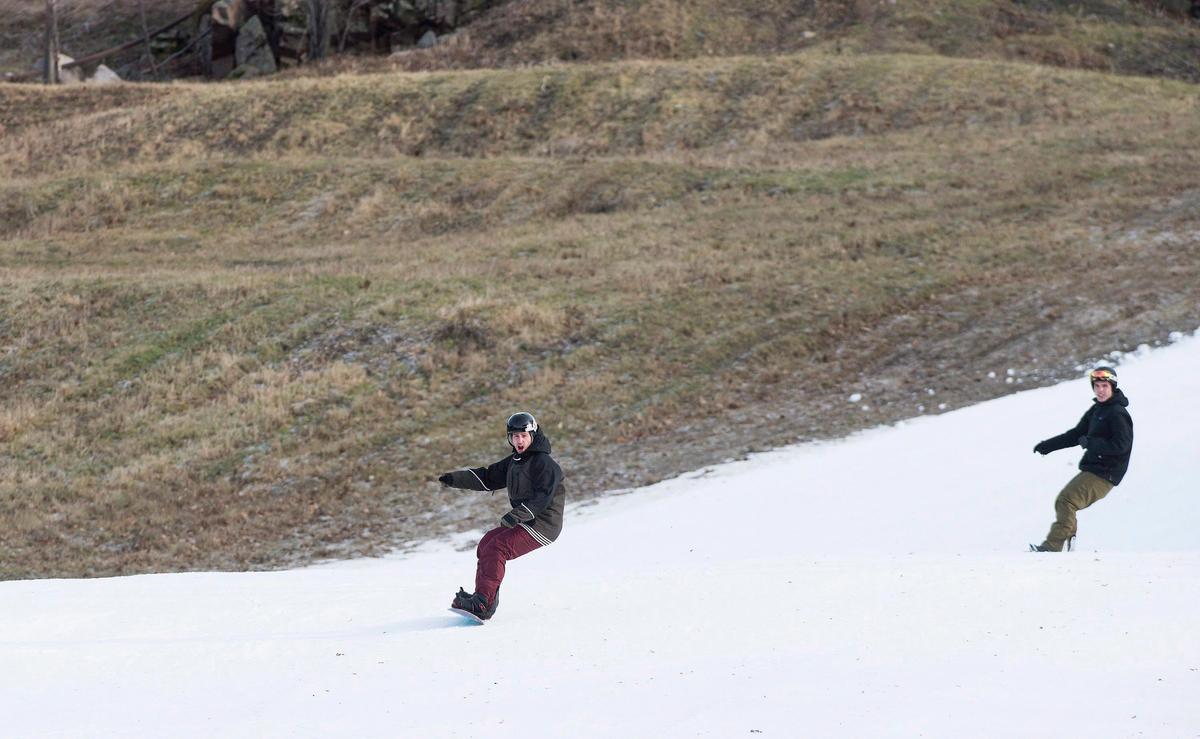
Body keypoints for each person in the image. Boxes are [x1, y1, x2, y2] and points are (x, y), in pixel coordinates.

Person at [437, 411, 565, 620]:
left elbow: (542, 498)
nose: (519, 440)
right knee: (487, 543)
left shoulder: (544, 463)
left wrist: (517, 515)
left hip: (543, 524)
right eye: (514, 436)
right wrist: (454, 479)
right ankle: (483, 598)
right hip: (527, 520)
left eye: (523, 436)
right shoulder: (515, 461)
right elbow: (488, 477)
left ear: (532, 435)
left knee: (498, 547)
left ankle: (483, 603)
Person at [1030, 367, 1133, 552]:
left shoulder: (1117, 413)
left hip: (1106, 472)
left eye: (1104, 386)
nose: (1100, 390)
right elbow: (1077, 434)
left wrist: (1093, 443)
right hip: (1094, 468)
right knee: (1065, 501)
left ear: (1112, 387)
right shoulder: (1098, 409)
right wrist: (1049, 446)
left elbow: (1121, 446)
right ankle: (1069, 543)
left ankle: (1053, 546)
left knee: (1067, 500)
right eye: (1097, 386)